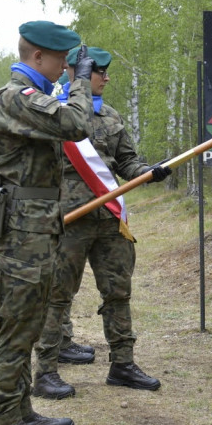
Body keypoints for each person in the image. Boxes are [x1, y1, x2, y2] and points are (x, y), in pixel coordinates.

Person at [0, 21, 95, 425]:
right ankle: (2, 424)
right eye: (61, 60)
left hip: (38, 224)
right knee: (18, 325)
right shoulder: (16, 98)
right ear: (38, 57)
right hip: (23, 228)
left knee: (29, 322)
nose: (66, 67)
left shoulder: (31, 98)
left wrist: (75, 80)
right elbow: (77, 122)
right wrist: (82, 81)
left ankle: (19, 410)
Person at [32, 47, 169, 400]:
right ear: (78, 74)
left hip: (108, 220)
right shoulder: (53, 113)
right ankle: (46, 370)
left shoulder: (110, 116)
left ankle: (122, 364)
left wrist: (151, 172)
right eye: (99, 71)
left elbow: (127, 164)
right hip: (68, 220)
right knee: (58, 296)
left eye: (106, 72)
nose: (106, 78)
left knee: (118, 291)